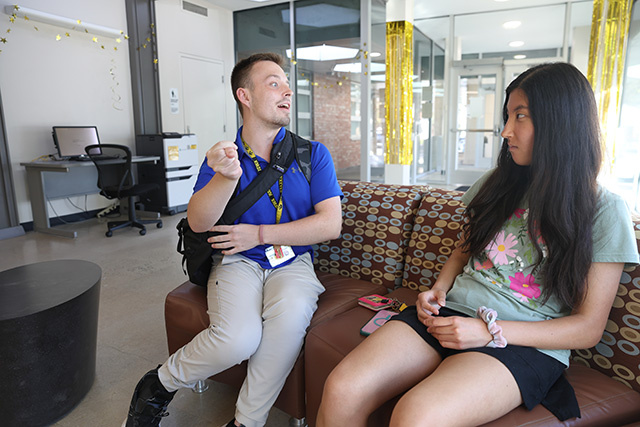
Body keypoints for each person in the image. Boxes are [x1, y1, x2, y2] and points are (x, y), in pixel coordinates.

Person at [316, 62, 639, 427]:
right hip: (451, 315)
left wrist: (487, 331)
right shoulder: (500, 182)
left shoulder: (605, 209)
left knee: (416, 417)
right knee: (342, 388)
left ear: (560, 124)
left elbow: (587, 328)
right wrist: (437, 290)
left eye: (521, 117)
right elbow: (464, 249)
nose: (505, 131)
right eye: (508, 116)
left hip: (522, 342)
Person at [123, 52, 342, 427]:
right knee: (237, 339)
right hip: (235, 261)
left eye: (286, 83)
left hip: (292, 261)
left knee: (289, 320)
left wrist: (258, 234)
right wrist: (224, 177)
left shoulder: (312, 155)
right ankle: (159, 383)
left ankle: (246, 422)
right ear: (245, 95)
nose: (287, 90)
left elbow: (329, 225)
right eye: (274, 83)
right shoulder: (224, 157)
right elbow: (198, 220)